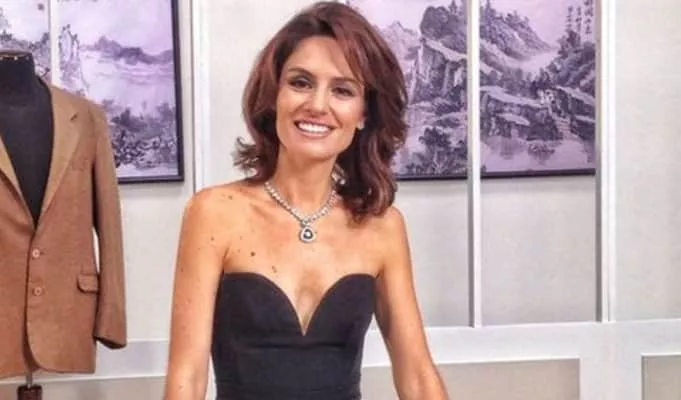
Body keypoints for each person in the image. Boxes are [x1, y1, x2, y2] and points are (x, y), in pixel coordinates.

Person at [164, 2, 448, 399]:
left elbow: (417, 374)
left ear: (363, 114)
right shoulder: (213, 213)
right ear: (274, 95)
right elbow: (187, 377)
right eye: (300, 83)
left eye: (342, 90)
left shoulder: (382, 226)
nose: (317, 105)